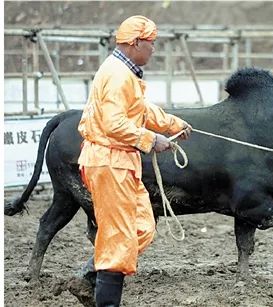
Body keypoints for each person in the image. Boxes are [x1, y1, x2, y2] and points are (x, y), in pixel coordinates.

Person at [68, 15, 193, 307]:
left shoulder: (123, 71)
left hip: (121, 162)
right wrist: (151, 140)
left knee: (142, 227)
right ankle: (105, 294)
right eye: (151, 43)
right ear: (136, 43)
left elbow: (140, 109)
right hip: (109, 161)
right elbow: (114, 123)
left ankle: (94, 271)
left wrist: (173, 124)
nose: (154, 49)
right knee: (118, 237)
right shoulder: (117, 74)